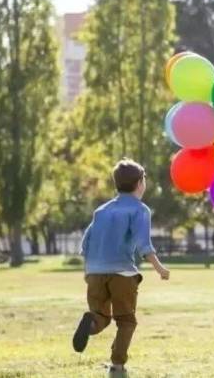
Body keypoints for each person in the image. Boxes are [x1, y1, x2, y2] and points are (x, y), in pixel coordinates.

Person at [72, 159, 170, 378]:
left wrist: (91, 271)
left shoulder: (101, 210)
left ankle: (90, 323)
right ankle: (117, 366)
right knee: (126, 320)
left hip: (94, 273)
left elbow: (85, 244)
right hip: (122, 274)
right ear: (140, 183)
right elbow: (144, 244)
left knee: (101, 317)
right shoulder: (140, 209)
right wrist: (160, 268)